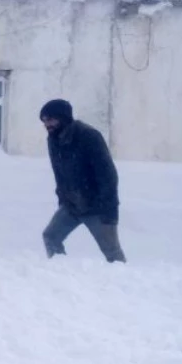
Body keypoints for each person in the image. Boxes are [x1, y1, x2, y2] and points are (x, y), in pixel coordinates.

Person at [39, 99, 126, 263]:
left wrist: (106, 207)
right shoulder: (53, 140)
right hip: (71, 205)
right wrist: (63, 199)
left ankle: (125, 284)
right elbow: (59, 174)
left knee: (112, 253)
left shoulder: (88, 136)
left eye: (50, 119)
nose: (47, 124)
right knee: (51, 236)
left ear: (63, 118)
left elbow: (108, 174)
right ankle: (60, 271)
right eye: (44, 121)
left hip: (97, 207)